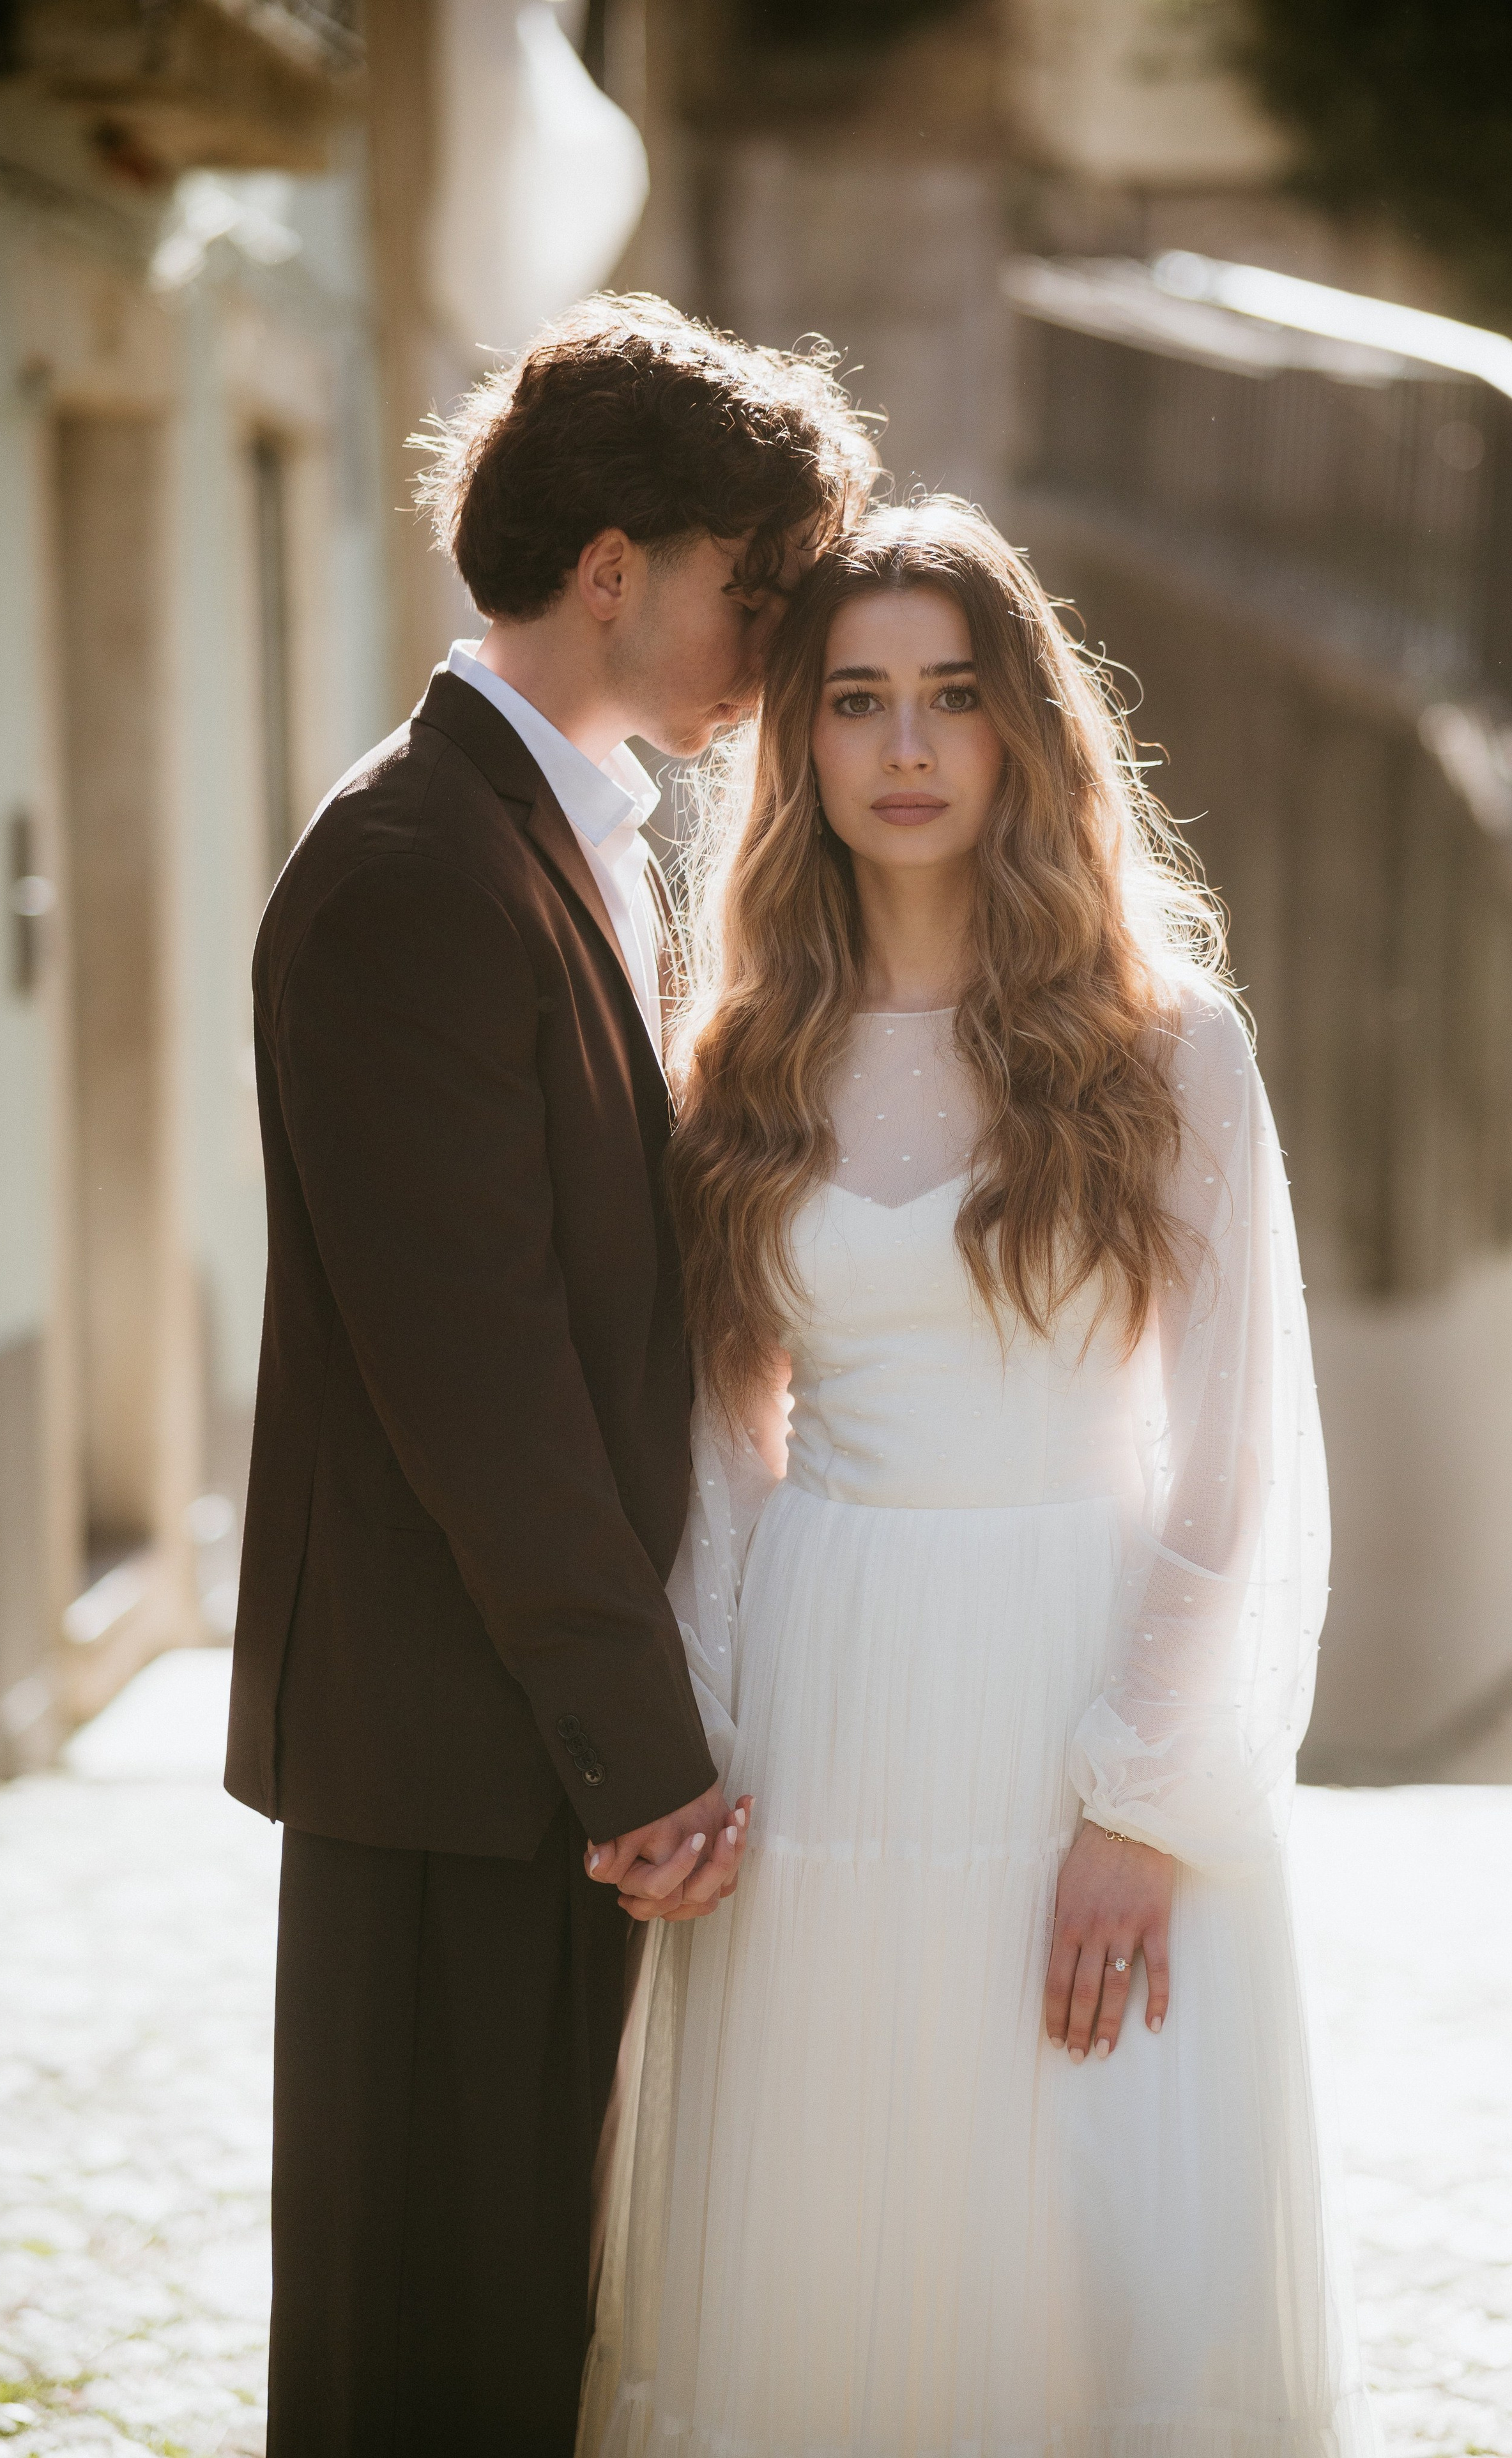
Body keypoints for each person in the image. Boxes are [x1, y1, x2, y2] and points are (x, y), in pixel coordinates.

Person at [579, 500, 1381, 2456]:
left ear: (1027, 727)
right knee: (837, 2247)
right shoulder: (744, 1055)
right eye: (857, 703)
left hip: (1077, 1687)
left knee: (1084, 2253)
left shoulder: (1164, 1048)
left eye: (953, 695)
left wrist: (1142, 1793)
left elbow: (1235, 1450)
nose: (910, 747)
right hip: (829, 1688)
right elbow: (722, 1441)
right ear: (805, 746)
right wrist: (704, 1735)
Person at [223, 293, 876, 2456]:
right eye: (755, 592)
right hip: (457, 1748)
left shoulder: (562, 830)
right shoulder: (416, 866)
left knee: (522, 2325)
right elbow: (479, 1385)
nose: (773, 649)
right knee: (426, 2343)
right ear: (622, 562)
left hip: (533, 1737)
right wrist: (643, 1755)